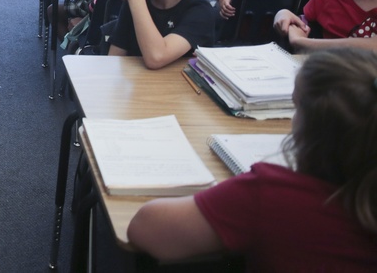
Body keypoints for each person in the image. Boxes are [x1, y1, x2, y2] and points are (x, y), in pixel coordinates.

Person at [127, 47, 377, 270]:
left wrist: (235, 191)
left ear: (312, 128)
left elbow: (145, 229)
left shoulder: (273, 194)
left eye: (295, 106)